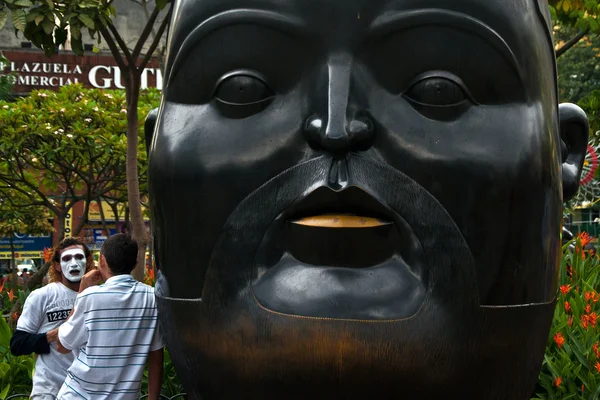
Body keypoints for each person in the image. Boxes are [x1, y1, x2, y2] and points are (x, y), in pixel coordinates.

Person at [55, 233, 163, 400]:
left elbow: (62, 346)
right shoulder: (152, 298)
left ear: (102, 261)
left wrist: (82, 291)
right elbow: (156, 358)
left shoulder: (89, 297)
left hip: (78, 395)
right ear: (135, 264)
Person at [10, 238, 93, 400]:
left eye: (79, 257)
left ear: (88, 262)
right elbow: (18, 344)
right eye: (67, 259)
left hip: (86, 389)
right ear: (57, 266)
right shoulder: (42, 296)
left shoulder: (98, 296)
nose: (74, 263)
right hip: (49, 389)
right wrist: (54, 334)